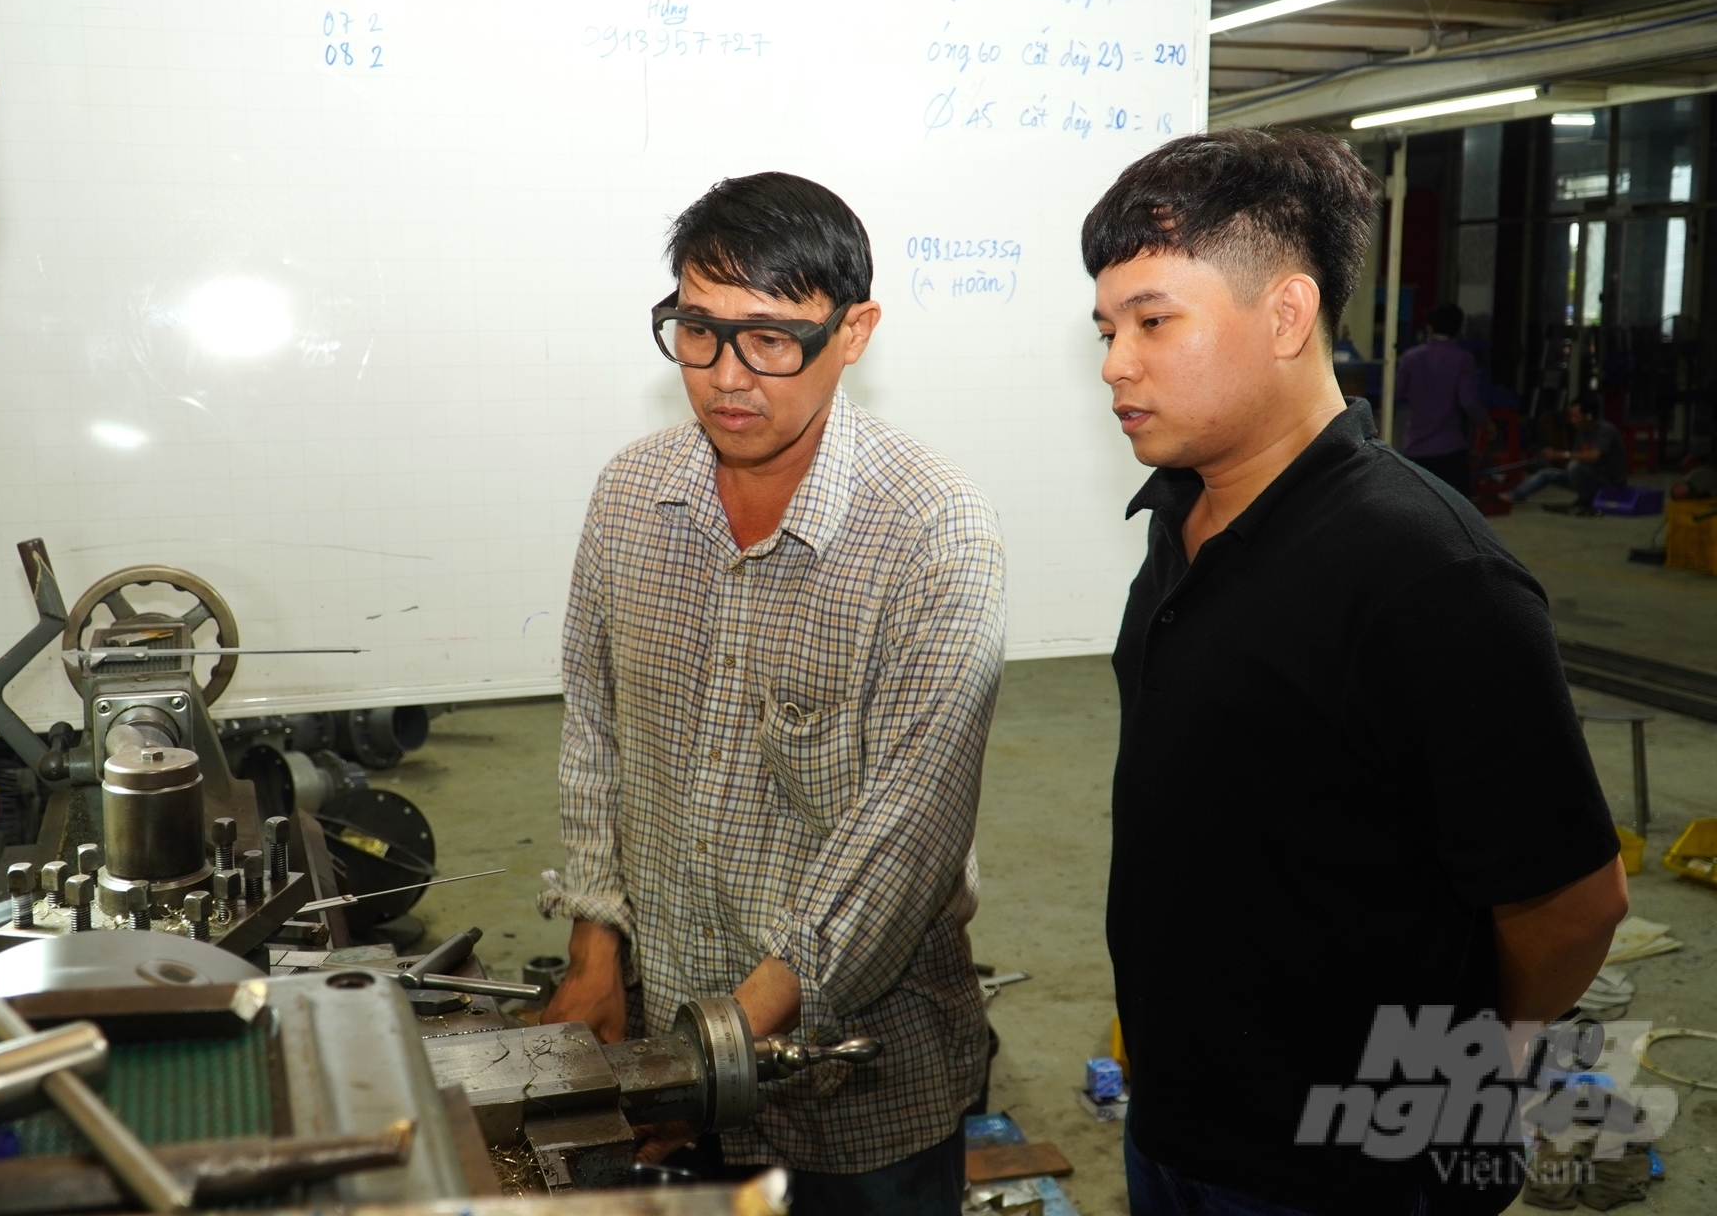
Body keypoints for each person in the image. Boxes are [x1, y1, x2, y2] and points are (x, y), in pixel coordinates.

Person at [1085, 129, 1627, 1216]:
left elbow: (1572, 901)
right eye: (1105, 328)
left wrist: (1455, 1068)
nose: (1115, 363)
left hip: (1346, 1168)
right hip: (1180, 1122)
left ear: (1286, 315)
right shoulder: (1182, 516)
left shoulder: (1426, 573)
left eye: (1153, 321)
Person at [537, 172, 1005, 1215]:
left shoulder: (933, 533)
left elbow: (903, 842)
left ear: (855, 331)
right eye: (697, 330)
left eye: (771, 338)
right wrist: (596, 935)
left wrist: (718, 1050)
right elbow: (595, 731)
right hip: (668, 1061)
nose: (725, 375)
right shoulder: (631, 497)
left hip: (861, 1095)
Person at [1395, 303, 1489, 495]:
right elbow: (1468, 401)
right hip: (1450, 449)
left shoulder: (1410, 357)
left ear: (1429, 327)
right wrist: (1486, 423)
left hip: (1415, 448)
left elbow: (1394, 395)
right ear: (1460, 329)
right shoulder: (1463, 359)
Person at [1510, 394, 1628, 514]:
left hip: (1610, 484)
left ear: (1588, 416)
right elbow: (1575, 455)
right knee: (1548, 474)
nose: (1572, 420)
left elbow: (1593, 457)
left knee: (1575, 466)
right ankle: (1514, 496)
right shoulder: (1582, 431)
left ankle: (1587, 500)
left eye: (1576, 416)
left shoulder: (1606, 430)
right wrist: (1552, 455)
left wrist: (1561, 454)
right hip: (1589, 479)